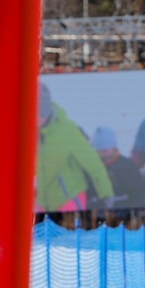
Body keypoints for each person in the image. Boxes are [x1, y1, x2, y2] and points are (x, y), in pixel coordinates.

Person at [35, 82, 114, 213]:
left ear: (44, 111)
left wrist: (106, 194)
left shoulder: (67, 130)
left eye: (36, 113)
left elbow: (93, 164)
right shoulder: (27, 132)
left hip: (69, 198)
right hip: (42, 202)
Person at [91, 126, 145, 209]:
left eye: (105, 150)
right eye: (97, 151)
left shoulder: (127, 166)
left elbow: (139, 194)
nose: (101, 154)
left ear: (113, 148)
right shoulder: (91, 167)